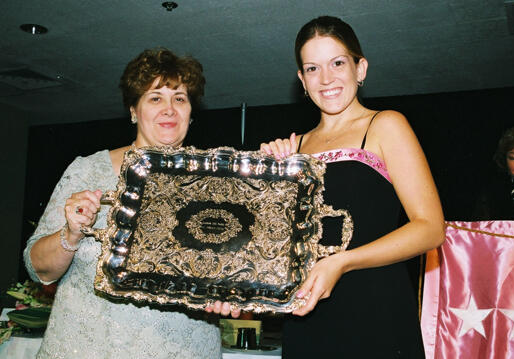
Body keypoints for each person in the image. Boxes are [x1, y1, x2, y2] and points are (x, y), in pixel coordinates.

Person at [214, 16, 445, 358]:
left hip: (376, 310)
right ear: (301, 81)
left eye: (338, 63)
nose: (326, 79)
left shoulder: (385, 125)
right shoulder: (294, 149)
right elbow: (267, 248)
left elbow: (430, 229)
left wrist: (341, 262)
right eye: (312, 69)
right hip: (308, 318)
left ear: (360, 68)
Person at [23, 48, 222, 359]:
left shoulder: (217, 183)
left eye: (180, 98)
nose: (169, 109)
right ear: (133, 110)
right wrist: (71, 234)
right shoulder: (88, 170)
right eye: (155, 97)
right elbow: (38, 269)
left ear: (191, 112)